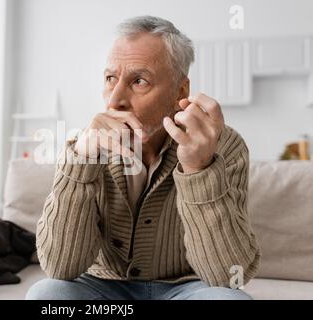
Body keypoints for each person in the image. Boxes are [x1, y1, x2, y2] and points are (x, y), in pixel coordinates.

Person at [26, 16, 260, 300]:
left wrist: (199, 169)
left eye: (139, 81)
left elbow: (229, 275)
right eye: (111, 78)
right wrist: (81, 163)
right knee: (46, 294)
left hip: (187, 289)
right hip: (103, 290)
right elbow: (59, 267)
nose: (114, 101)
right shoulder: (86, 147)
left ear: (180, 92)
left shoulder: (225, 146)